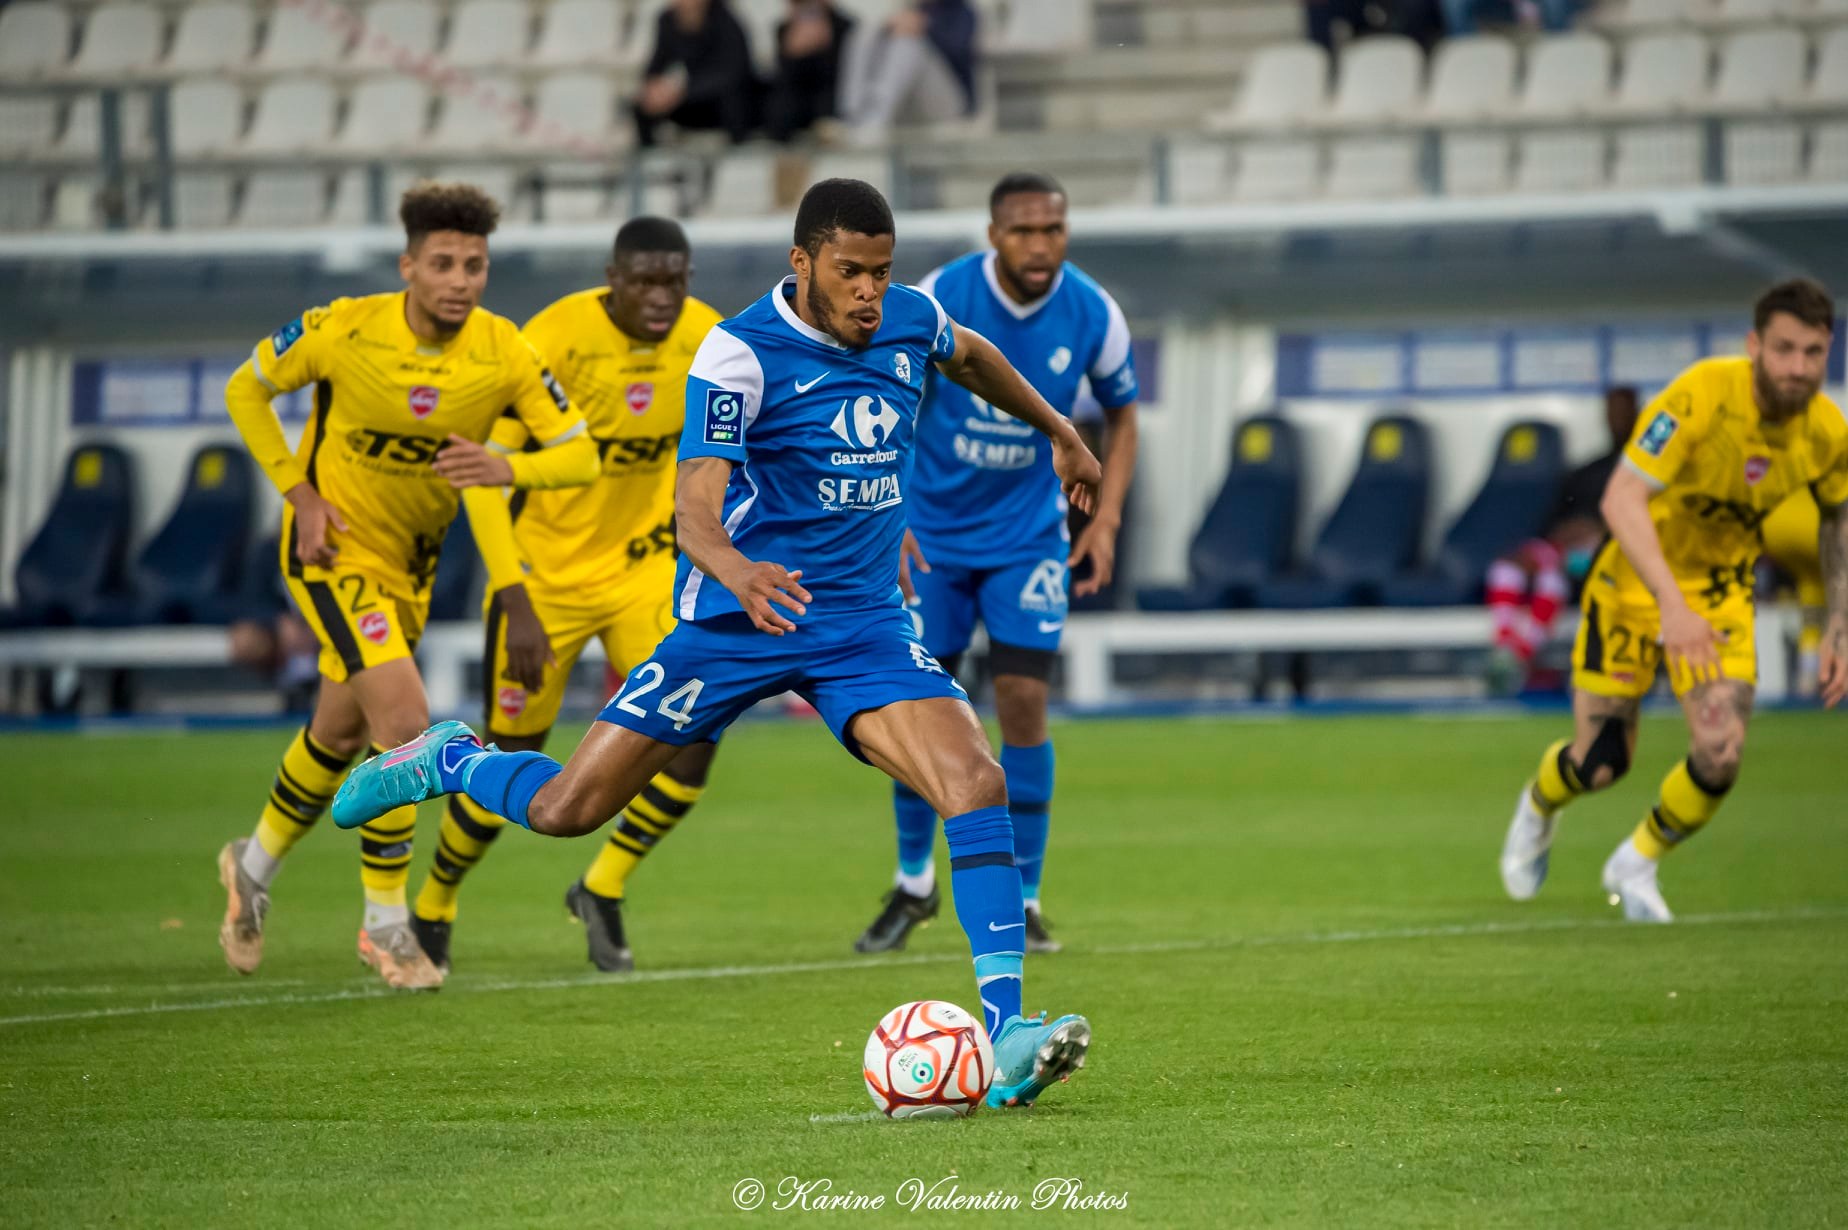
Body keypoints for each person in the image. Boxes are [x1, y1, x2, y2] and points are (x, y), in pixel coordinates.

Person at [334, 179, 1104, 1110]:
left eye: (881, 272)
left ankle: (1007, 1032)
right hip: (732, 628)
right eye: (850, 272)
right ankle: (450, 757)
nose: (869, 292)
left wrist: (1060, 429)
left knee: (975, 782)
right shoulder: (740, 353)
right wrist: (738, 571)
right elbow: (693, 503)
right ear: (803, 262)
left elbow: (972, 356)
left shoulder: (908, 319)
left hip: (860, 627)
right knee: (570, 811)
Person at [215, 182, 597, 989]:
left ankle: (249, 871)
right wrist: (300, 494)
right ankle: (388, 927)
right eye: (444, 264)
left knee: (337, 738)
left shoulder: (502, 350)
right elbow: (244, 390)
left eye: (475, 265)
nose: (460, 279)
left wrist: (505, 465)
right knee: (408, 728)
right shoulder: (344, 328)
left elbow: (580, 453)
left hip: (412, 572)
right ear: (409, 267)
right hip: (331, 557)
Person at [407, 218, 724, 974]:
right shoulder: (552, 338)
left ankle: (602, 885)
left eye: (674, 279)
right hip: (543, 583)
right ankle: (436, 900)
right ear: (612, 277)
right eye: (644, 280)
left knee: (691, 734)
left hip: (643, 574)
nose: (662, 296)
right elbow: (484, 474)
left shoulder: (709, 338)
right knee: (515, 755)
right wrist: (513, 596)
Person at [1498, 278, 1848, 922]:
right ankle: (1540, 805)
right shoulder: (1698, 397)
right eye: (1785, 350)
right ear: (1754, 347)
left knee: (1722, 753)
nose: (1799, 368)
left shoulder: (1828, 433)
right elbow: (1619, 499)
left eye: (1814, 353)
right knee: (1601, 764)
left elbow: (1837, 518)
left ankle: (1637, 860)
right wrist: (1670, 605)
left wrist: (1839, 622)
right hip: (1633, 584)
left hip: (1717, 597)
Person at [854, 171, 1139, 957]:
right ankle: (915, 884)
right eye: (1023, 230)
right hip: (933, 540)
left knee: (1022, 703)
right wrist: (893, 512)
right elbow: (890, 396)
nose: (1040, 245)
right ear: (993, 234)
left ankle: (1028, 896)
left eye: (1053, 228)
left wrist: (1106, 515)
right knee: (914, 712)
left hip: (1026, 541)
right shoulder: (944, 294)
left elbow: (1122, 415)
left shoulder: (1092, 311)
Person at [1484, 387, 1639, 696]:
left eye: (1623, 411)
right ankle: (1509, 651)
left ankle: (1518, 656)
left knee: (1555, 573)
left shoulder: (1644, 470)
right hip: (1565, 552)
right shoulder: (1587, 471)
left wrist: (1597, 529)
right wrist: (1562, 535)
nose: (1616, 419)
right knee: (1510, 567)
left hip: (1613, 555)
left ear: (1637, 412)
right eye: (1611, 411)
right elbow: (1554, 520)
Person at [839, 0, 976, 147]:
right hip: (911, 106)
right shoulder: (915, 10)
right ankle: (852, 114)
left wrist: (925, 28)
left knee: (908, 45)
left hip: (951, 104)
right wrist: (887, 28)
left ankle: (875, 122)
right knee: (866, 32)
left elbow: (957, 49)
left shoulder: (962, 11)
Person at [634, 0, 760, 148]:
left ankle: (737, 153)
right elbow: (657, 63)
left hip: (727, 100)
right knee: (643, 102)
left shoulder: (726, 21)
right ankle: (649, 155)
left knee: (733, 101)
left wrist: (680, 92)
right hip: (693, 100)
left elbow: (734, 73)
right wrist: (654, 89)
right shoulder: (668, 21)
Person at [765, 1, 855, 144]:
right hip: (793, 107)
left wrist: (823, 45)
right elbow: (783, 79)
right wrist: (795, 52)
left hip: (831, 103)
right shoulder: (784, 30)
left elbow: (845, 78)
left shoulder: (846, 28)